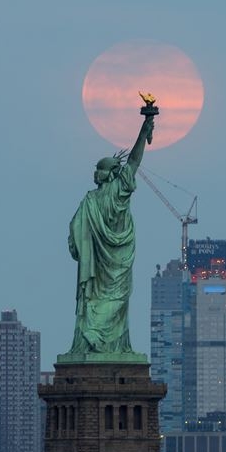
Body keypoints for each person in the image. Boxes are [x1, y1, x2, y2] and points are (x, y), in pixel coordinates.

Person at [65, 112, 155, 357]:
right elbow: (135, 161)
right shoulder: (116, 190)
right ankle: (108, 347)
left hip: (99, 266)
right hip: (117, 263)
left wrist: (144, 129)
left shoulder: (90, 201)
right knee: (116, 302)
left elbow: (74, 237)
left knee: (95, 303)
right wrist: (144, 130)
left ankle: (98, 345)